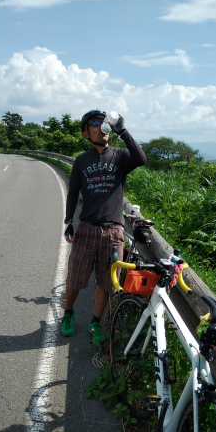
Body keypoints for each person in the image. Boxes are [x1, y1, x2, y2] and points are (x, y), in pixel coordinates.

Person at [62, 109, 147, 343]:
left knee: (107, 282)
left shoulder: (119, 156)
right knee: (75, 278)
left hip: (114, 232)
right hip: (87, 228)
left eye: (103, 123)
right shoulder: (81, 161)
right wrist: (69, 220)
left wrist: (123, 131)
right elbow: (73, 192)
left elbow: (141, 159)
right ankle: (68, 314)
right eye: (94, 124)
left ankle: (95, 322)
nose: (101, 127)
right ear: (85, 133)